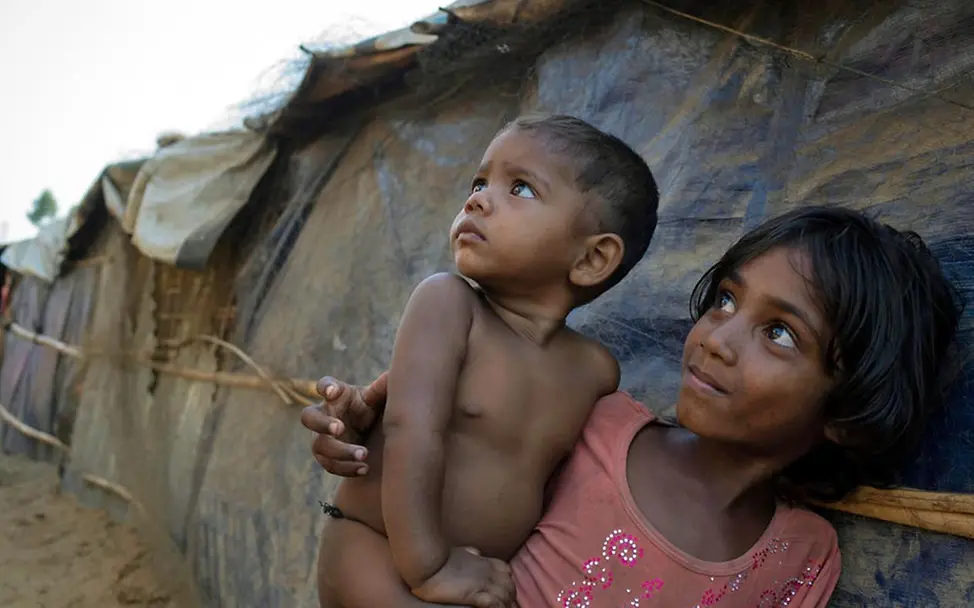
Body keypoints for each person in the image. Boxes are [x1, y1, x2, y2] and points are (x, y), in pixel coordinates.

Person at [303, 206, 963, 607]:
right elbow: (443, 441)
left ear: (848, 412)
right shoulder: (594, 422)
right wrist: (367, 432)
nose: (716, 338)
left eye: (779, 333)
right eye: (726, 299)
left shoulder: (802, 558)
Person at [311, 114, 660, 608]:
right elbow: (411, 429)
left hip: (470, 575)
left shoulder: (595, 371)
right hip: (377, 549)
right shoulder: (449, 305)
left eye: (520, 188)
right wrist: (429, 566)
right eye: (479, 181)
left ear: (591, 260)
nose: (477, 198)